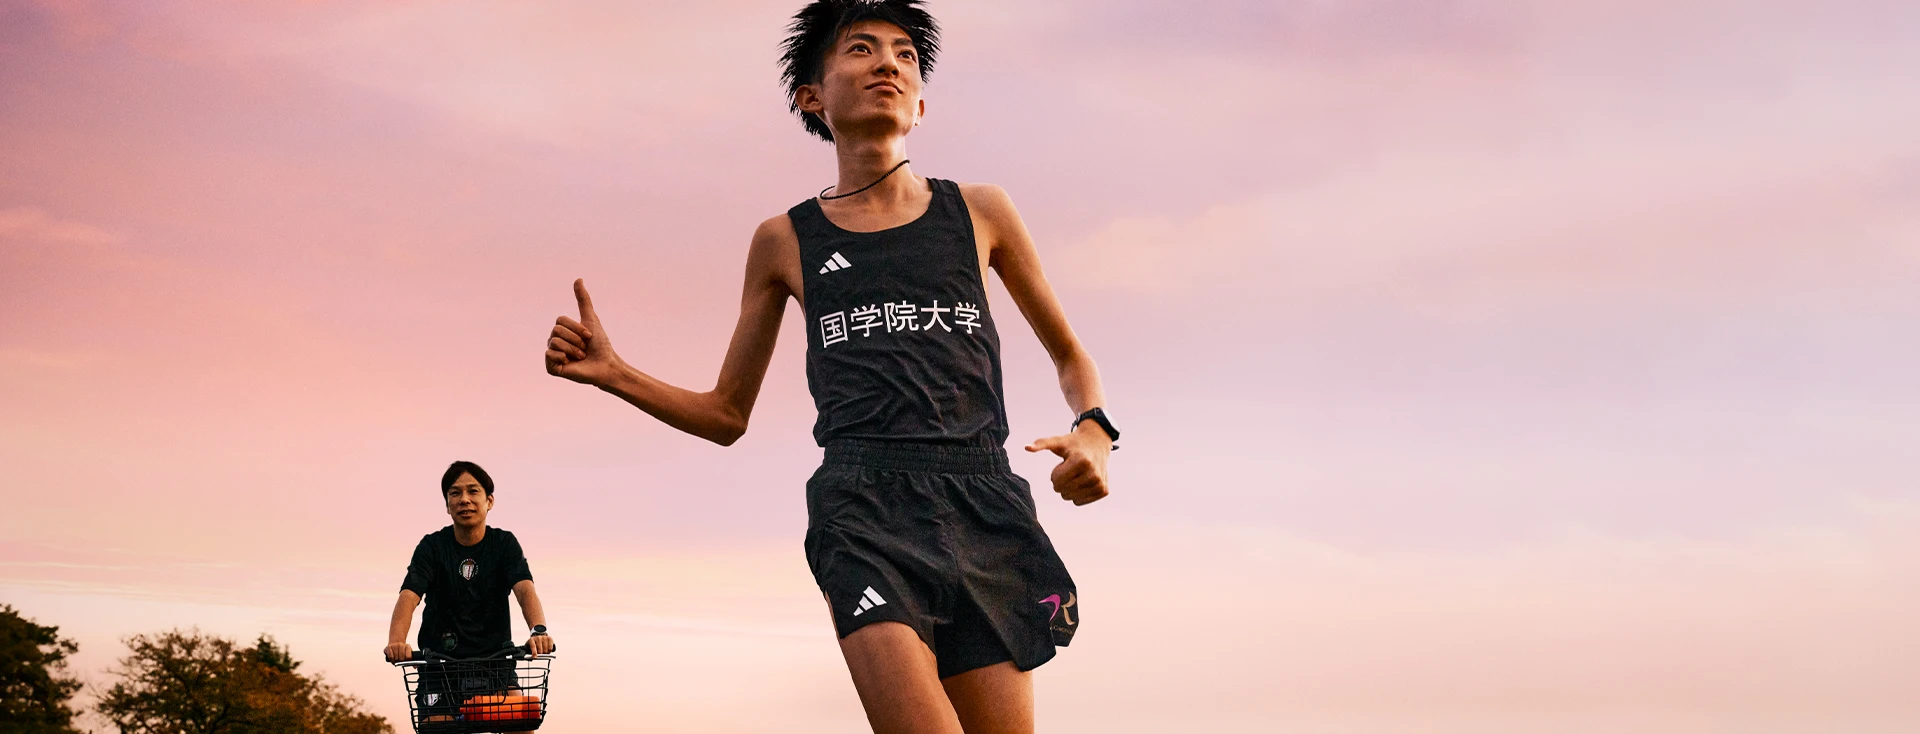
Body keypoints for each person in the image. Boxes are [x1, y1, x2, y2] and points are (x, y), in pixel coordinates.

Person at [543, 1, 1117, 731]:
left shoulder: (980, 211)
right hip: (863, 508)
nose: (888, 63)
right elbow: (727, 416)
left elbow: (1070, 353)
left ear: (921, 104)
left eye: (906, 55)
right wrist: (616, 372)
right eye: (861, 49)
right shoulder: (784, 239)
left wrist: (1094, 430)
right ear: (810, 96)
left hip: (985, 501)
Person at [383, 462, 555, 719]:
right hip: (439, 663)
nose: (464, 500)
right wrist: (396, 641)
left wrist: (538, 630)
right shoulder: (432, 546)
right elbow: (409, 595)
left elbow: (524, 589)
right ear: (447, 505)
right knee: (438, 727)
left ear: (489, 501)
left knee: (521, 720)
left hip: (494, 662)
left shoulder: (504, 544)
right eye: (455, 493)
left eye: (473, 491)